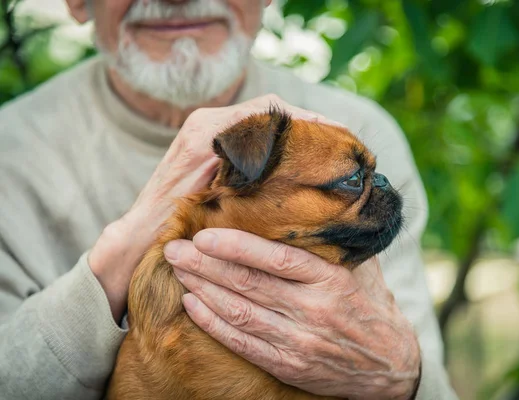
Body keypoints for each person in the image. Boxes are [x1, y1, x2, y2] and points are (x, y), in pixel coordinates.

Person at [0, 0, 458, 399]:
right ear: (77, 1)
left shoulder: (354, 123)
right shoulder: (11, 150)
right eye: (350, 181)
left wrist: (400, 373)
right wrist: (120, 251)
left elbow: (422, 376)